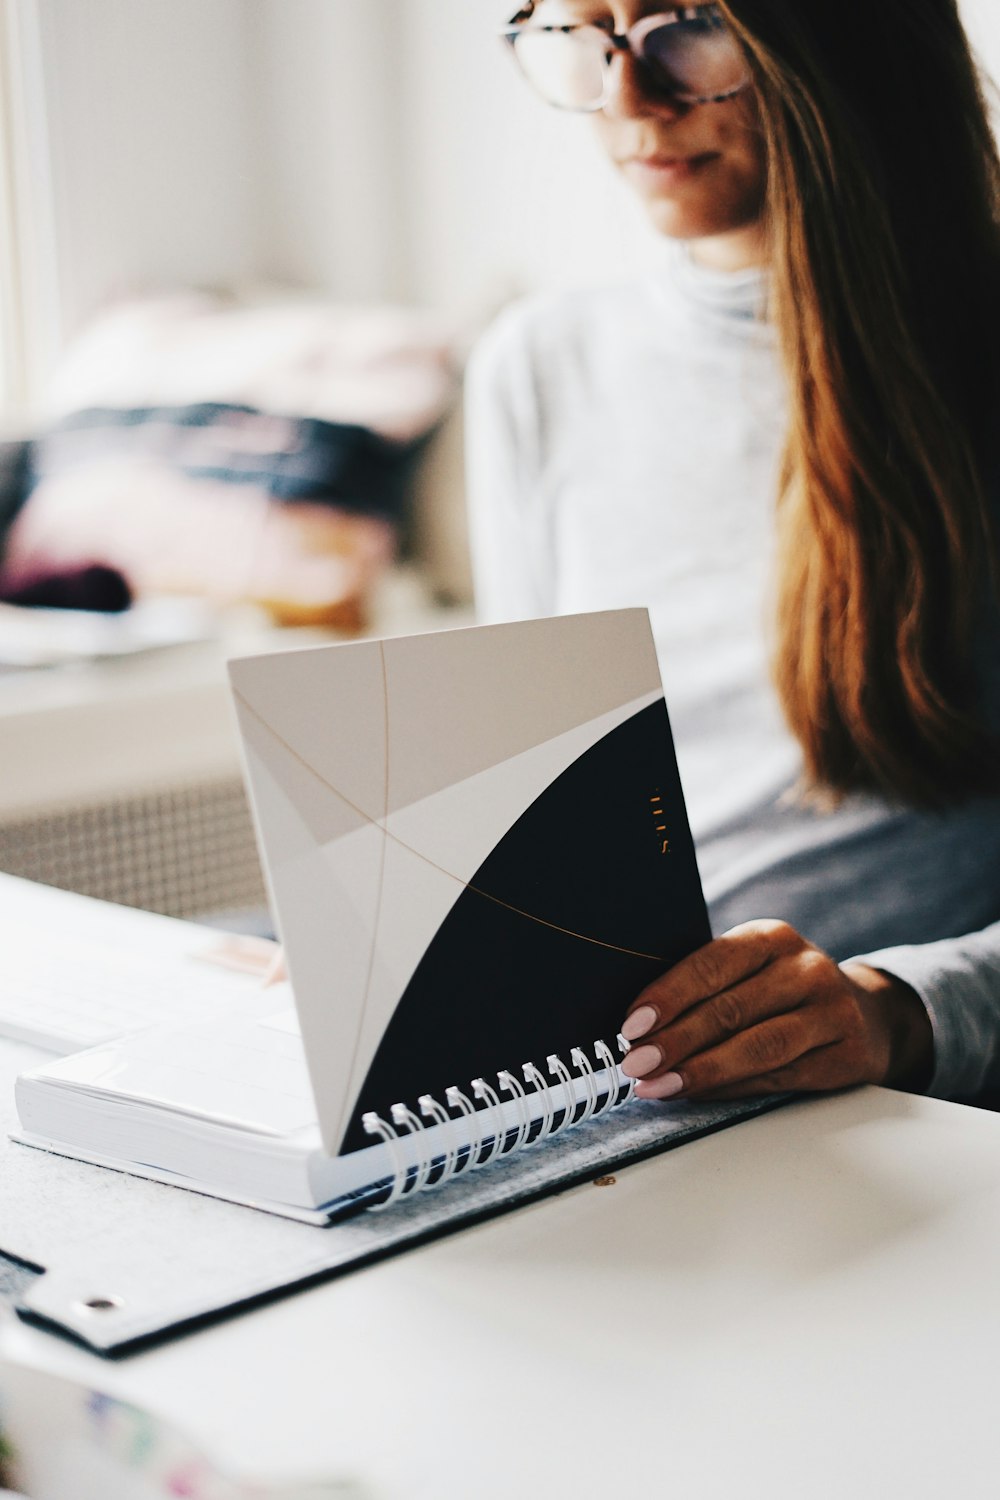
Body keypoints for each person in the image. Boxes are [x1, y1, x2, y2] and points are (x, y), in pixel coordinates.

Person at [466, 0, 1000, 1106]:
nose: (625, 97)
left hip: (883, 1105)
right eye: (577, 29)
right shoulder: (538, 363)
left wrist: (897, 1010)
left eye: (685, 28)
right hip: (606, 1076)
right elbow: (526, 797)